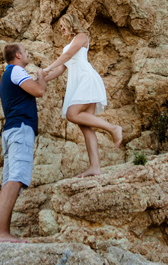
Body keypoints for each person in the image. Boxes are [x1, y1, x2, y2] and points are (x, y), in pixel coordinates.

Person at [39, 13, 123, 177]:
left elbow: (68, 56)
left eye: (63, 25)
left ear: (71, 23)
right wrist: (42, 78)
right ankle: (95, 167)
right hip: (78, 84)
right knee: (85, 127)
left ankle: (113, 128)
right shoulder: (69, 44)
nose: (61, 29)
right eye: (60, 27)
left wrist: (46, 68)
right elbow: (61, 68)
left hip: (86, 80)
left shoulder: (81, 36)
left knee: (72, 114)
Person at [0, 42, 47, 243]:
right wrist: (40, 79)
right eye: (25, 51)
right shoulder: (16, 71)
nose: (28, 53)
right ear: (18, 56)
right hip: (20, 129)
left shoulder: (11, 73)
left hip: (12, 130)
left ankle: (1, 232)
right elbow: (38, 91)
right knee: (17, 178)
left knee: (9, 181)